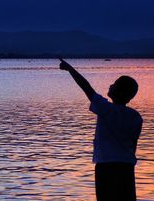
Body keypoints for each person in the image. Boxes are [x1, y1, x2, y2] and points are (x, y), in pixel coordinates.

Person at [58, 57, 143, 201]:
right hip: (126, 167)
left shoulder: (106, 109)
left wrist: (70, 69)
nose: (110, 85)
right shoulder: (136, 117)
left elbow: (86, 87)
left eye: (115, 85)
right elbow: (133, 145)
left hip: (106, 167)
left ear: (121, 93)